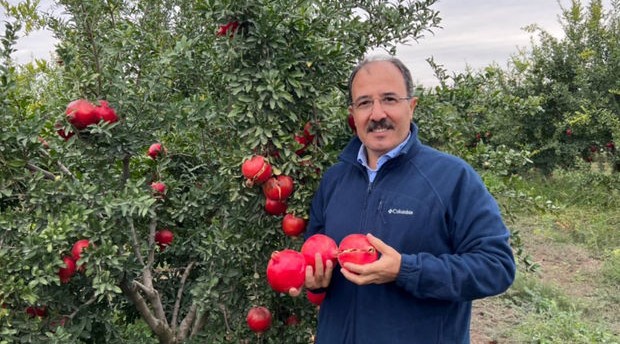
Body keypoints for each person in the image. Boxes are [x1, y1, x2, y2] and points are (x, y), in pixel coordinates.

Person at [290, 55, 516, 343]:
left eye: (389, 99)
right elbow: (317, 252)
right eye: (364, 103)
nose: (377, 114)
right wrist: (316, 280)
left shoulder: (453, 178)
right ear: (353, 114)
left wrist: (406, 270)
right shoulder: (334, 180)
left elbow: (496, 267)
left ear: (411, 106)